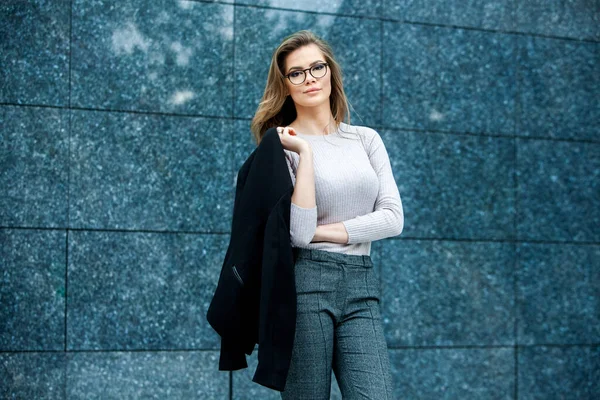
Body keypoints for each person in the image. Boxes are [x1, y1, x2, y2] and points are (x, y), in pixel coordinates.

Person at [250, 30, 404, 400]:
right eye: (297, 73)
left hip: (360, 285)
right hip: (305, 286)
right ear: (286, 85)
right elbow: (301, 235)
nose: (310, 79)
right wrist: (305, 151)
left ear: (330, 72)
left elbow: (393, 218)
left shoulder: (366, 139)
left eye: (317, 67)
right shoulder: (283, 146)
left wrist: (326, 231)